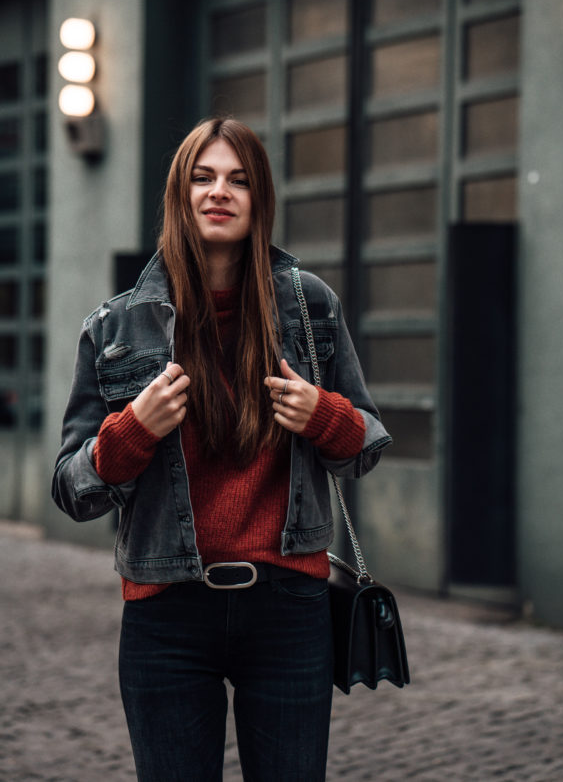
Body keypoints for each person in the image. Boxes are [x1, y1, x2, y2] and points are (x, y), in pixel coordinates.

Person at [53, 117, 391, 782]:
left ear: (260, 199)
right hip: (166, 612)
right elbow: (72, 488)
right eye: (202, 178)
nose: (219, 192)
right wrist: (132, 432)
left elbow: (366, 446)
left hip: (288, 608)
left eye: (238, 180)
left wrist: (322, 415)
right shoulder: (115, 325)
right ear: (179, 195)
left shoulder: (309, 307)